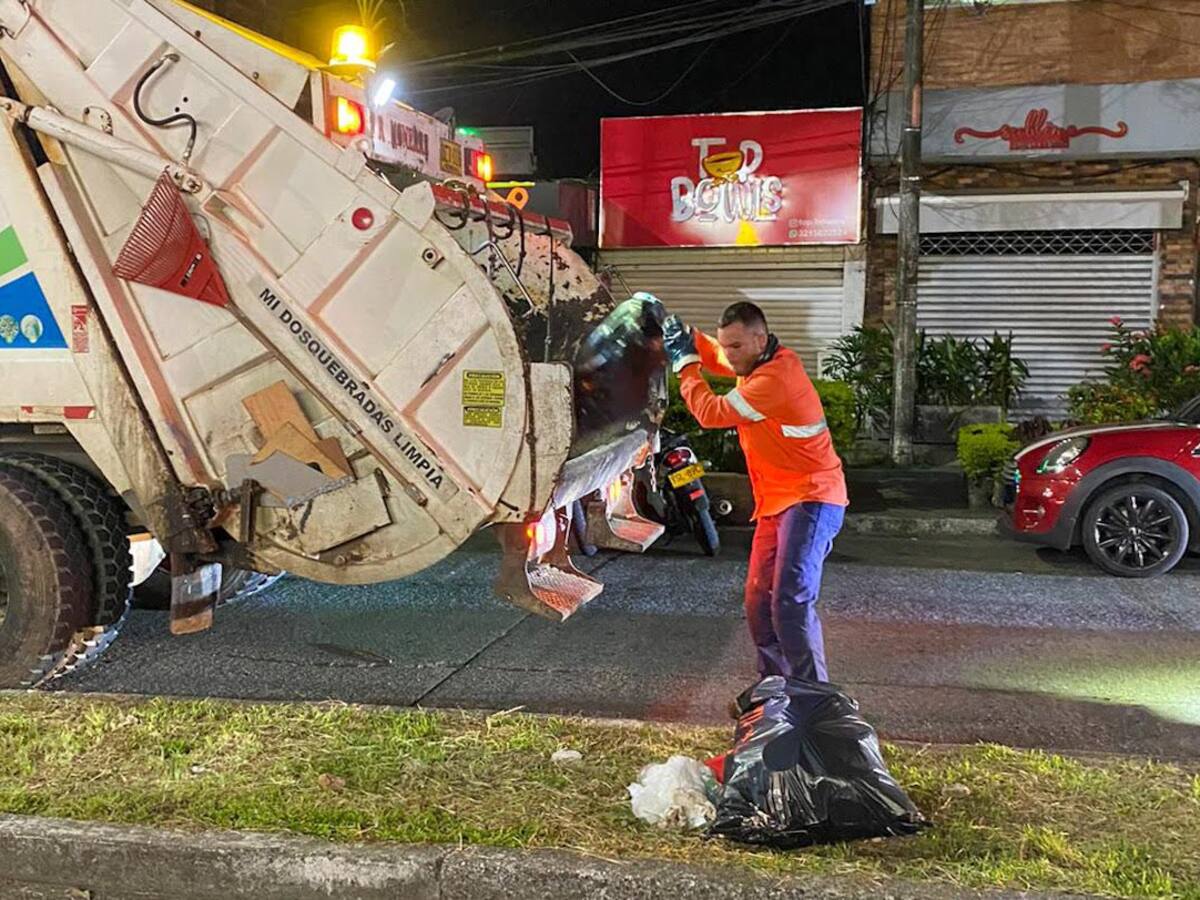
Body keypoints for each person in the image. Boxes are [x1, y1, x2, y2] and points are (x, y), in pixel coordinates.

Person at [663, 302, 848, 683]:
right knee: (758, 601)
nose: (729, 355)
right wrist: (685, 335)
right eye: (726, 345)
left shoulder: (776, 379)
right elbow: (719, 355)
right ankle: (772, 688)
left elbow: (710, 413)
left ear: (759, 339)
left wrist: (685, 365)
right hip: (778, 501)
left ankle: (813, 697)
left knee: (791, 602)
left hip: (812, 497)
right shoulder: (755, 362)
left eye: (736, 347)